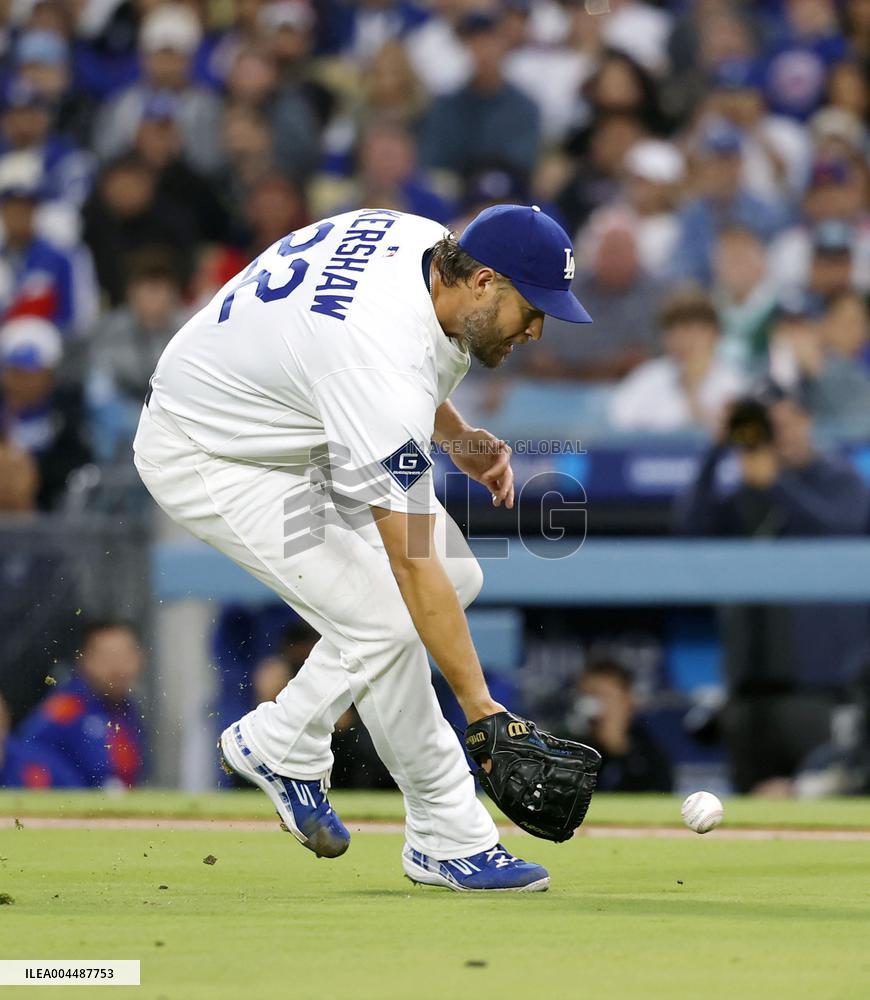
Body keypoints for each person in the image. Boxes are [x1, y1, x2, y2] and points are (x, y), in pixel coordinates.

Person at [134, 203, 592, 892]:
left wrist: (455, 433)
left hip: (294, 422)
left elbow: (389, 354)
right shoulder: (377, 367)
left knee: (454, 578)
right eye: (532, 306)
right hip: (214, 452)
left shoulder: (421, 244)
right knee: (386, 612)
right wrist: (481, 709)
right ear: (483, 281)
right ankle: (447, 832)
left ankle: (285, 738)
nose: (537, 328)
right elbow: (406, 550)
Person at [673, 385, 870, 793]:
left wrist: (778, 482)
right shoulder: (751, 490)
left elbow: (839, 528)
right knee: (749, 805)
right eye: (769, 426)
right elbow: (690, 526)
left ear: (807, 420)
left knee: (824, 801)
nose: (777, 435)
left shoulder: (837, 477)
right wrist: (716, 449)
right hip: (747, 688)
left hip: (815, 689)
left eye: (784, 422)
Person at [13, 619, 145, 788]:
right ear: (84, 659)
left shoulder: (128, 708)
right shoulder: (67, 707)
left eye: (125, 655)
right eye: (107, 657)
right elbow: (24, 754)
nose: (117, 667)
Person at [609, 287, 746, 432]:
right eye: (673, 331)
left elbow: (727, 437)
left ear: (714, 334)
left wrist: (692, 391)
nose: (681, 340)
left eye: (690, 330)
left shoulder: (732, 383)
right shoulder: (647, 377)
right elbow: (620, 426)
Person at [568, 657, 672, 793]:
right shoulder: (570, 751)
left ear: (627, 700)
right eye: (587, 696)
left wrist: (617, 748)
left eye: (603, 695)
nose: (593, 705)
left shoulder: (650, 753)